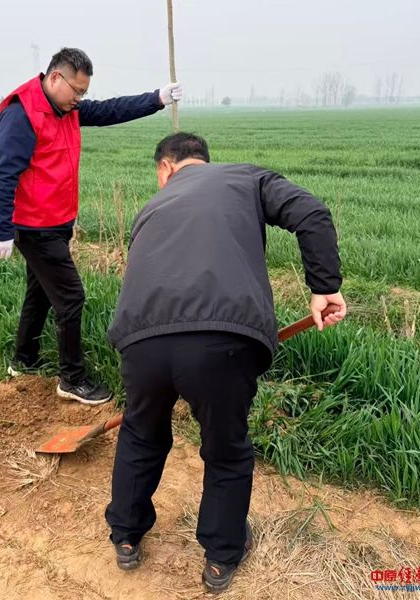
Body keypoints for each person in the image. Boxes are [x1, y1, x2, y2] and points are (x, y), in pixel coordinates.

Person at [105, 132, 347, 593]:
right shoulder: (247, 178)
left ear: (166, 168)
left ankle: (126, 535)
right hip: (222, 340)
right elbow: (311, 213)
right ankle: (221, 556)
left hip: (140, 340)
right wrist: (324, 286)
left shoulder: (151, 207)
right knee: (226, 447)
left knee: (141, 430)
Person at [0, 47, 183, 405]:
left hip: (58, 220)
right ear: (55, 77)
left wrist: (157, 98)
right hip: (35, 226)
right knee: (71, 297)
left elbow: (110, 110)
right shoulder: (23, 113)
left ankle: (23, 359)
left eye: (83, 92)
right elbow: (2, 175)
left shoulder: (67, 108)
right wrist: (0, 229)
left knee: (40, 291)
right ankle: (72, 378)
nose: (79, 98)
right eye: (76, 90)